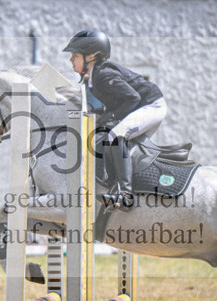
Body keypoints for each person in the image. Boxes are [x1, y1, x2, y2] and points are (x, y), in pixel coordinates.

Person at [63, 29, 166, 208]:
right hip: (142, 106)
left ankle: (125, 195)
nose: (71, 60)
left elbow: (132, 98)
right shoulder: (95, 77)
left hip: (151, 106)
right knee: (106, 140)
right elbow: (117, 102)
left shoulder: (103, 74)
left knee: (116, 137)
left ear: (91, 57)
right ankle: (113, 188)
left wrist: (108, 117)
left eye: (75, 56)